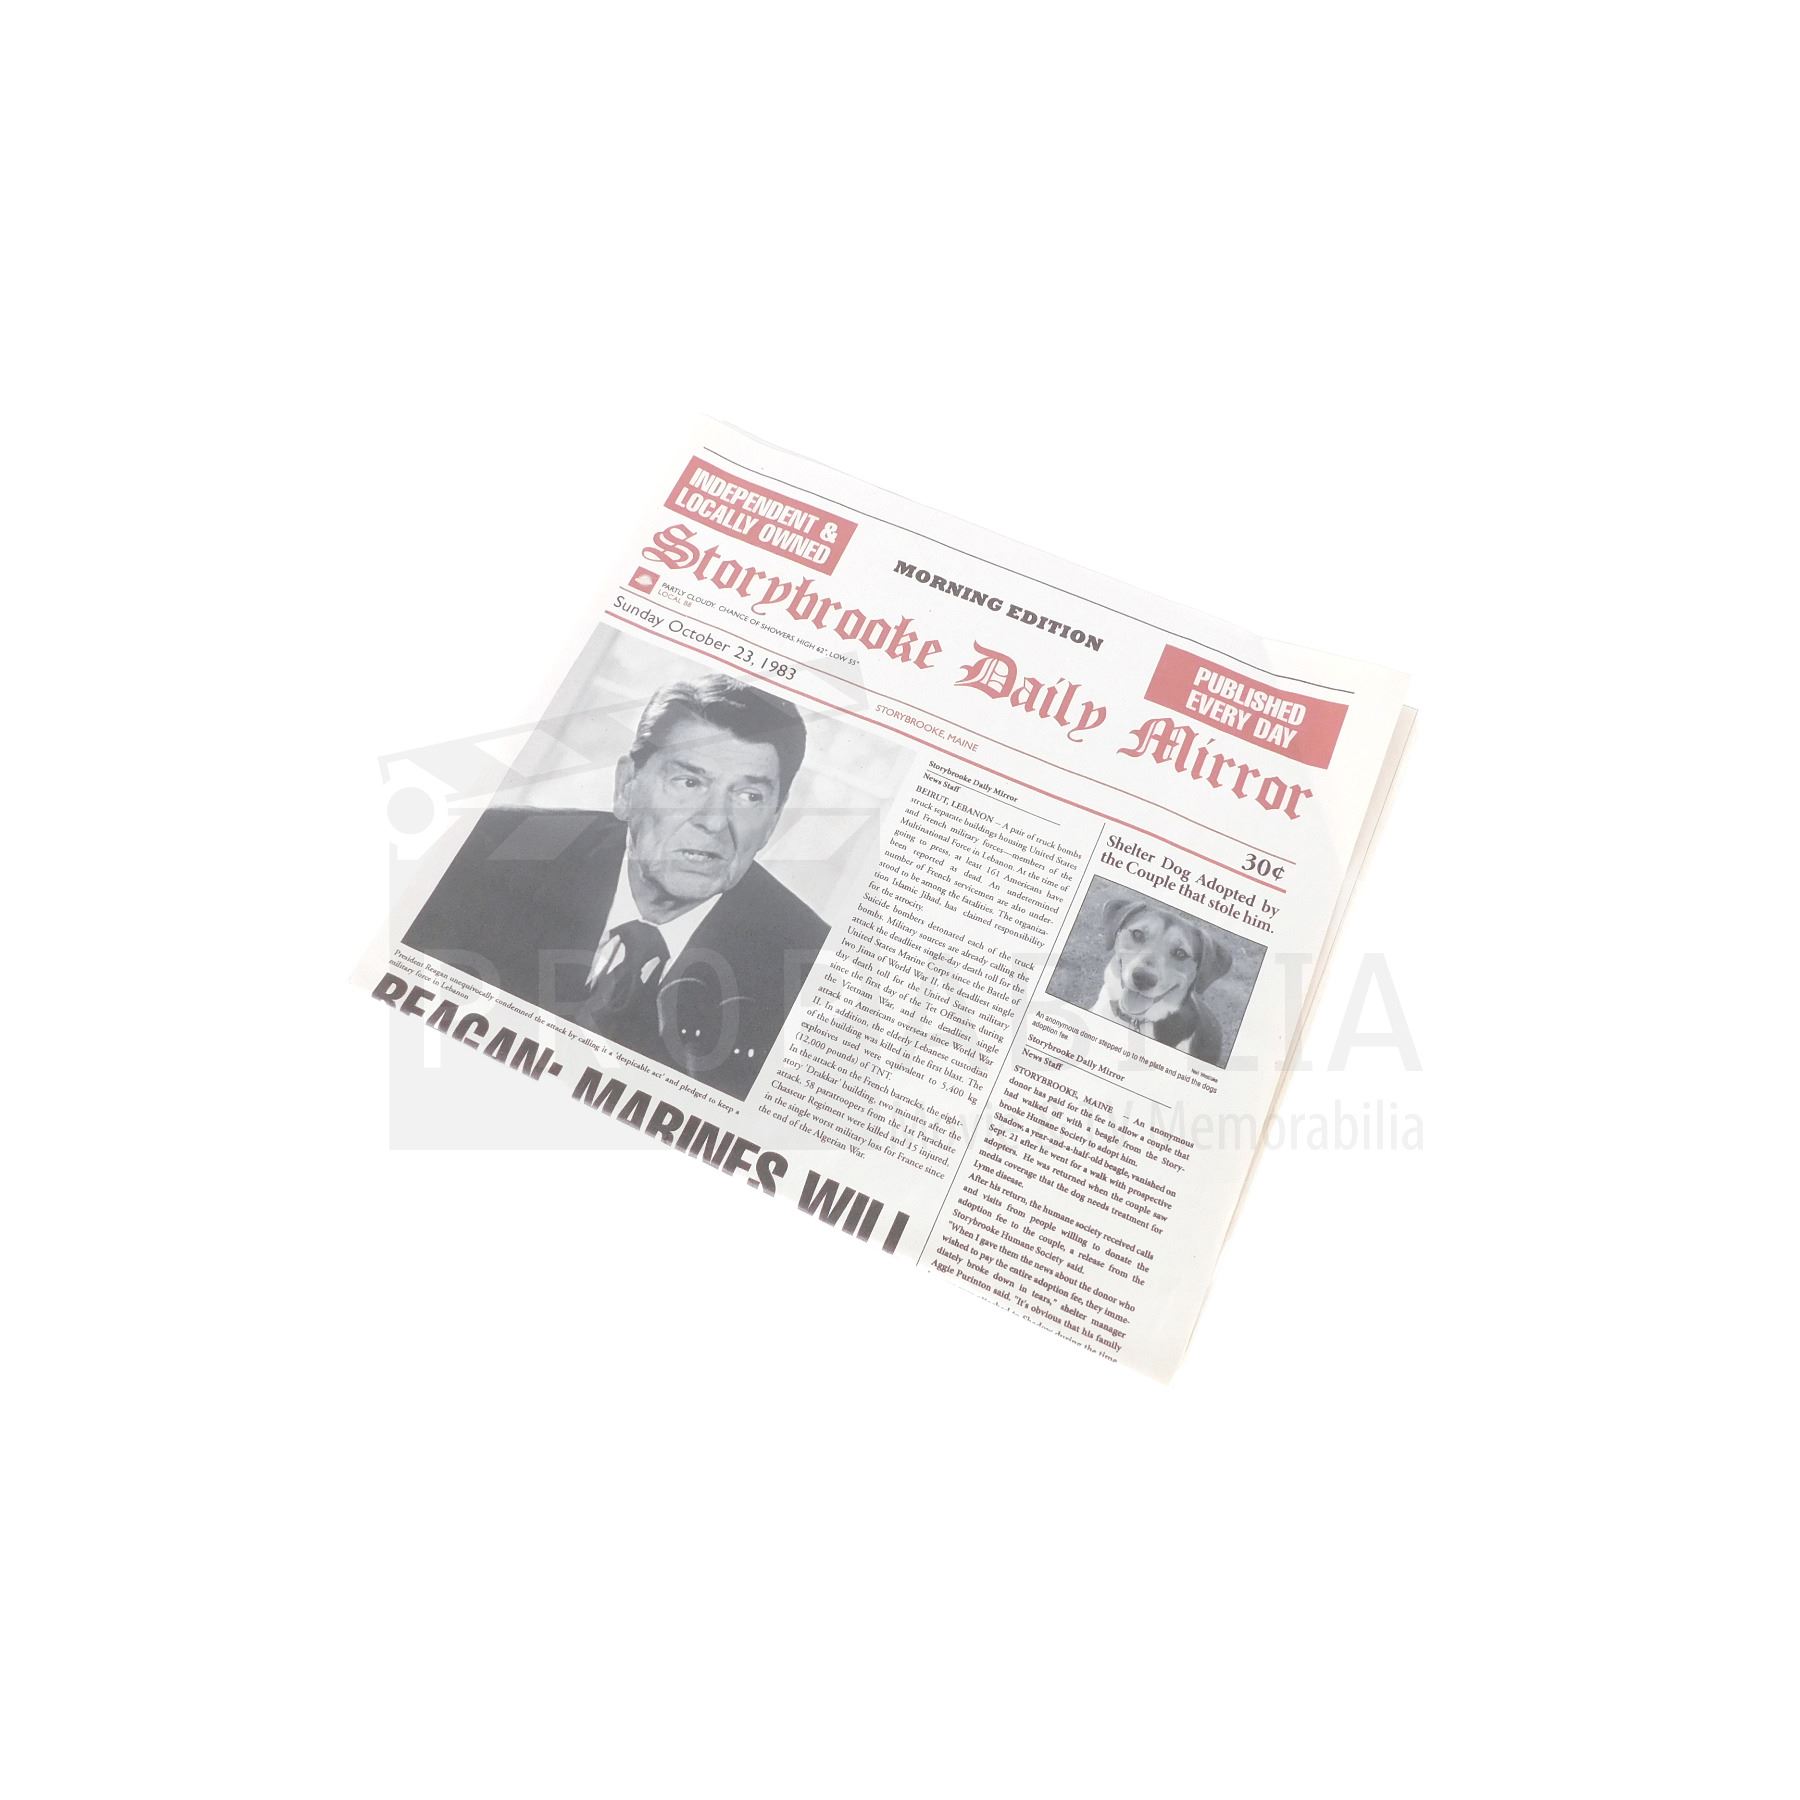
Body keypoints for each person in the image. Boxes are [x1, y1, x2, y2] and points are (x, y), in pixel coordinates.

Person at [405, 675, 827, 1099]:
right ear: (626, 787)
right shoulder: (486, 849)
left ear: (773, 821)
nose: (714, 821)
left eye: (749, 796)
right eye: (689, 782)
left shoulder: (806, 966)